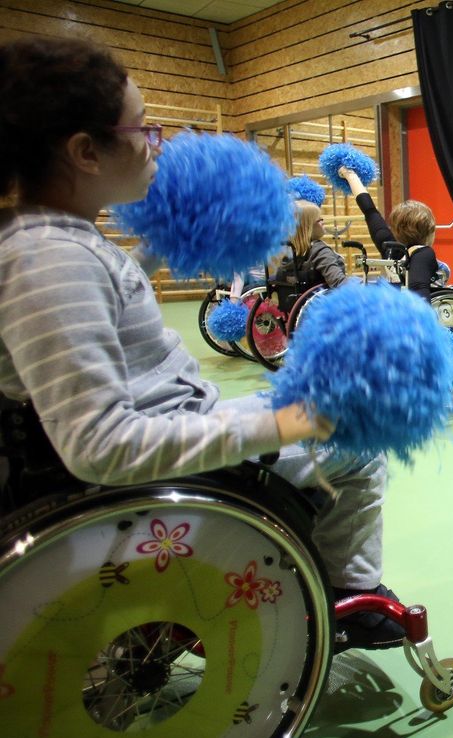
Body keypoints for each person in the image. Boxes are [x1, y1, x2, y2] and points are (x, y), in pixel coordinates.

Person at [0, 37, 405, 650]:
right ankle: (347, 598)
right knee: (359, 447)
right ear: (86, 151)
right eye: (141, 128)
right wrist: (286, 424)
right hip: (167, 454)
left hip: (180, 414)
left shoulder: (53, 241)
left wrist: (165, 244)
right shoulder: (52, 259)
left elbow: (102, 304)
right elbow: (99, 446)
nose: (155, 143)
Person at [339, 166, 441, 301]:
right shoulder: (424, 254)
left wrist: (350, 175)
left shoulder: (390, 249)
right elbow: (419, 293)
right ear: (430, 230)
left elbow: (369, 210)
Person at [285, 199, 349, 289]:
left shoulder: (290, 252)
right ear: (307, 227)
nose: (323, 222)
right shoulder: (320, 251)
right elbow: (339, 283)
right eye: (319, 220)